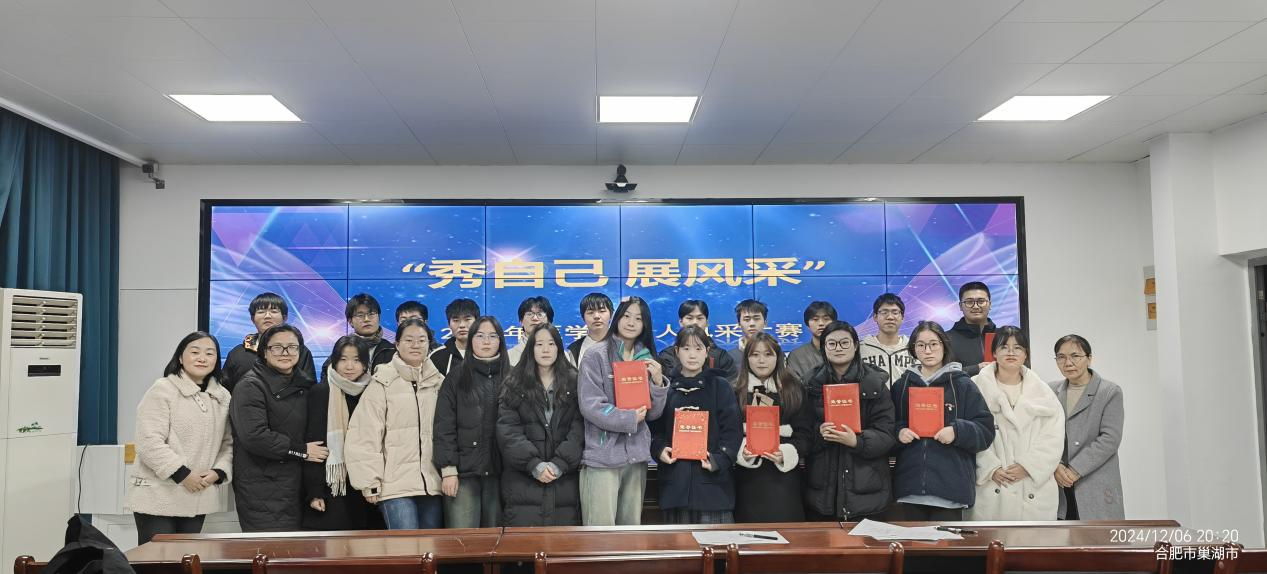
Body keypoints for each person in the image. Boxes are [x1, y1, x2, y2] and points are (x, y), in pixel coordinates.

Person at [127, 331, 233, 545]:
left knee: (187, 558)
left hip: (198, 494)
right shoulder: (163, 389)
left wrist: (218, 472)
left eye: (209, 353)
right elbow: (149, 441)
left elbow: (228, 443)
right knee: (157, 560)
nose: (202, 358)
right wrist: (182, 474)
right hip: (158, 495)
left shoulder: (222, 396)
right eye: (195, 352)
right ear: (180, 358)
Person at [576, 296, 670, 526]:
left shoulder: (646, 357)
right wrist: (628, 417)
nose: (631, 322)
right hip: (603, 456)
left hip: (636, 456)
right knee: (600, 530)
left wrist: (658, 382)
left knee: (631, 529)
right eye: (626, 316)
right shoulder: (595, 354)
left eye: (638, 318)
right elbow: (590, 405)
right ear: (617, 318)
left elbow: (653, 414)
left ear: (645, 324)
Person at [346, 318, 446, 529]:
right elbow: (364, 434)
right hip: (394, 486)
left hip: (432, 484)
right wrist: (369, 482)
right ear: (397, 344)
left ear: (429, 344)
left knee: (431, 546)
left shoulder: (439, 382)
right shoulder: (382, 382)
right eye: (409, 340)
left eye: (421, 340)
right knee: (406, 545)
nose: (415, 345)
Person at [889, 321, 994, 521]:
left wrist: (957, 431)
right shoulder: (901, 386)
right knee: (912, 541)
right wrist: (899, 432)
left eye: (933, 344)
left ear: (944, 346)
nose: (927, 350)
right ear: (913, 349)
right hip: (910, 488)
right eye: (921, 345)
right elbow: (886, 427)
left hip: (951, 489)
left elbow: (986, 430)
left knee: (946, 542)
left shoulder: (963, 384)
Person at [230, 324, 328, 532]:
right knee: (272, 549)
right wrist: (301, 451)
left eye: (292, 347)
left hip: (297, 485)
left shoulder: (305, 384)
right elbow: (254, 436)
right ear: (264, 351)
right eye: (277, 347)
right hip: (263, 488)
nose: (285, 353)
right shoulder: (250, 385)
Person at [967, 326, 1064, 521]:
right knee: (991, 539)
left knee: (1032, 539)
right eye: (1004, 347)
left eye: (1017, 348)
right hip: (990, 485)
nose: (1011, 352)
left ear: (1026, 354)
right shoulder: (974, 387)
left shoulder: (1043, 392)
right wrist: (990, 468)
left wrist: (1028, 466)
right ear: (994, 353)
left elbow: (1053, 437)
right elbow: (968, 433)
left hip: (1032, 487)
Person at [802, 322, 896, 521]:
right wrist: (819, 433)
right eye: (832, 344)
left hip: (866, 491)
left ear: (855, 346)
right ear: (823, 348)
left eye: (844, 343)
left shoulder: (874, 383)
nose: (838, 348)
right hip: (822, 493)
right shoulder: (811, 384)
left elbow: (887, 433)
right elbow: (802, 432)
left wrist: (857, 441)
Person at [651, 326, 742, 524]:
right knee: (678, 543)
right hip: (675, 484)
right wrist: (659, 450)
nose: (692, 355)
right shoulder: (666, 388)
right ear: (677, 351)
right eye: (686, 348)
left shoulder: (720, 386)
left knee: (717, 543)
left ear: (707, 351)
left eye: (698, 348)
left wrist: (719, 460)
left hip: (713, 485)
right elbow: (654, 431)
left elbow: (733, 432)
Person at [497, 324, 585, 526]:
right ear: (530, 348)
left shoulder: (575, 382)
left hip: (565, 481)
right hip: (522, 482)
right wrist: (534, 464)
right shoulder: (514, 383)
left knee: (562, 543)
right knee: (525, 543)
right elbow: (508, 432)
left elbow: (579, 429)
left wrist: (559, 464)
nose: (546, 350)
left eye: (551, 344)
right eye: (539, 344)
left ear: (559, 348)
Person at [433, 316, 509, 528]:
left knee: (498, 540)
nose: (486, 342)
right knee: (462, 539)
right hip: (463, 473)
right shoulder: (456, 377)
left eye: (493, 336)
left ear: (501, 341)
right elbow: (444, 426)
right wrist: (448, 470)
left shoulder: (512, 377)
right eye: (480, 336)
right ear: (471, 339)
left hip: (501, 473)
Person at [302, 336, 382, 530]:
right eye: (343, 359)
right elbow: (315, 444)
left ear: (365, 364)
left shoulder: (375, 391)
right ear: (334, 361)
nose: (349, 366)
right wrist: (315, 492)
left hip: (369, 481)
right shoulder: (322, 391)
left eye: (356, 360)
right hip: (335, 484)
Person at [732, 333, 811, 523]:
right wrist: (742, 452)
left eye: (768, 354)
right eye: (755, 354)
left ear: (778, 357)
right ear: (746, 358)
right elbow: (726, 434)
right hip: (745, 479)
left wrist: (786, 452)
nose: (761, 360)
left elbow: (806, 434)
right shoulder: (734, 390)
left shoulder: (793, 388)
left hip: (784, 480)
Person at [1050, 334, 1125, 520]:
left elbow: (1110, 439)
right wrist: (1056, 466)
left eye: (1075, 356)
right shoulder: (1050, 391)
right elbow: (1041, 433)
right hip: (1058, 482)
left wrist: (1075, 469)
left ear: (1089, 358)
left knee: (1098, 535)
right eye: (1061, 357)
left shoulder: (1109, 392)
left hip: (1093, 481)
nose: (1068, 363)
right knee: (1059, 535)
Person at [221, 292, 316, 393]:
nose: (267, 316)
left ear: (284, 318)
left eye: (274, 311)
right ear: (252, 319)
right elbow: (225, 391)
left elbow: (309, 388)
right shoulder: (237, 353)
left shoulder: (299, 351)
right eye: (261, 311)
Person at [657, 300, 737, 381]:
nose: (695, 322)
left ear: (707, 323)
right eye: (689, 318)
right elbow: (665, 385)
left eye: (699, 318)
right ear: (681, 322)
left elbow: (730, 385)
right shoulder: (667, 356)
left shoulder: (721, 356)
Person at [860, 294, 916, 386]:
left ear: (902, 317)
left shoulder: (914, 348)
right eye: (884, 312)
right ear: (875, 317)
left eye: (895, 312)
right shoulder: (861, 349)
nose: (890, 317)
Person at [945, 282, 996, 377]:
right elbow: (940, 375)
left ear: (990, 304)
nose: (976, 306)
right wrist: (976, 369)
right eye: (969, 302)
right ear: (960, 306)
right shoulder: (946, 339)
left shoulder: (1004, 336)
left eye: (981, 301)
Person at [786, 301, 837, 384]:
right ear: (807, 324)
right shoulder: (797, 355)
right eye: (815, 319)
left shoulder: (843, 351)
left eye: (826, 319)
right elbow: (794, 387)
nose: (821, 323)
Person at [346, 293, 395, 374]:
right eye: (360, 315)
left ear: (379, 317)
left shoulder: (391, 349)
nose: (366, 319)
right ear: (350, 321)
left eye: (371, 314)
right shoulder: (342, 349)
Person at [430, 298, 479, 376]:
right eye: (456, 320)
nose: (462, 325)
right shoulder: (437, 356)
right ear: (449, 324)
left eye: (467, 319)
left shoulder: (489, 353)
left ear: (477, 322)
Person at [566, 292, 612, 366]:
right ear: (583, 317)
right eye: (590, 312)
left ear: (611, 315)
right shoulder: (574, 350)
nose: (596, 316)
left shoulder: (623, 344)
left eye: (602, 311)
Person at [508, 296, 554, 366]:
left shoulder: (561, 354)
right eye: (529, 314)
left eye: (540, 314)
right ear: (521, 321)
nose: (535, 318)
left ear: (549, 322)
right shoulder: (509, 356)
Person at [727, 299, 772, 368]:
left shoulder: (775, 353)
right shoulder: (729, 357)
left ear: (765, 323)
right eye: (747, 319)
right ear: (739, 324)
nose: (752, 324)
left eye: (756, 319)